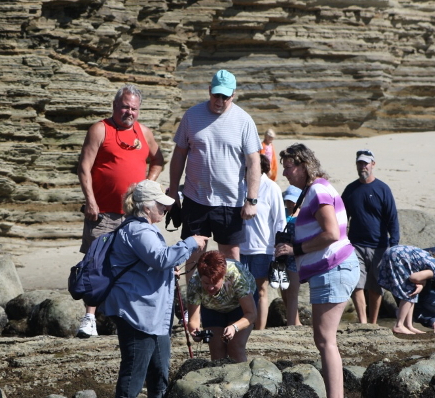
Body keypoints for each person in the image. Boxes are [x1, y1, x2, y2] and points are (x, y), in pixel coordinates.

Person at [102, 180, 207, 398]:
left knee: (159, 364)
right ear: (146, 207)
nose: (165, 209)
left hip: (153, 312)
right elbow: (160, 258)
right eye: (161, 205)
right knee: (136, 364)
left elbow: (157, 262)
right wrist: (190, 243)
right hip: (136, 311)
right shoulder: (139, 231)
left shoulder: (145, 229)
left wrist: (172, 266)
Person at [275, 143, 359, 398]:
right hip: (332, 269)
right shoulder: (314, 191)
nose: (285, 172)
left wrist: (295, 250)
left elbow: (331, 233)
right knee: (324, 340)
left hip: (334, 268)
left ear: (302, 165)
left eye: (288, 166)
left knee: (325, 341)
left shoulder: (319, 190)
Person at [76, 84, 164, 338]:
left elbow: (158, 160)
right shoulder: (100, 129)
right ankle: (90, 318)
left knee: (133, 265)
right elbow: (84, 167)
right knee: (96, 264)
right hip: (102, 212)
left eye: (134, 108)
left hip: (134, 216)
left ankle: (128, 318)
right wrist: (90, 200)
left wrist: (148, 184)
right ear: (115, 105)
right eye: (125, 106)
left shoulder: (143, 132)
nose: (129, 112)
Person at [169, 69, 261, 285]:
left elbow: (253, 161)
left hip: (230, 202)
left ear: (233, 95)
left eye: (225, 97)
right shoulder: (192, 116)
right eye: (216, 95)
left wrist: (252, 199)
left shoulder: (244, 120)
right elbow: (179, 154)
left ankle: (231, 304)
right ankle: (194, 305)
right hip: (195, 198)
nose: (219, 101)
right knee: (194, 251)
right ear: (209, 90)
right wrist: (173, 191)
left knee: (230, 255)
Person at [342, 149, 399, 325]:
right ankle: (363, 322)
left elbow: (392, 218)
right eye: (360, 163)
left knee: (375, 287)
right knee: (356, 284)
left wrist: (394, 244)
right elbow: (341, 217)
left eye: (365, 163)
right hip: (355, 245)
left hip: (379, 246)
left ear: (373, 164)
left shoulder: (382, 189)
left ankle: (373, 323)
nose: (362, 166)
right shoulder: (351, 190)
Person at [239, 155, 286, 330]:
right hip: (240, 248)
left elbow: (280, 220)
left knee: (261, 291)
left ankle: (259, 330)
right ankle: (245, 327)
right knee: (242, 291)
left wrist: (278, 247)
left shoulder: (271, 187)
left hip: (263, 248)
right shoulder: (240, 185)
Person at [186, 250, 257, 362]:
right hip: (212, 307)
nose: (210, 288)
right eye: (206, 283)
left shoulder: (236, 276)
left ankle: (242, 378)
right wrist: (195, 332)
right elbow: (193, 320)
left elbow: (251, 314)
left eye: (214, 283)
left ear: (223, 277)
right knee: (217, 350)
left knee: (235, 346)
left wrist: (234, 327)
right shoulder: (194, 282)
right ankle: (219, 378)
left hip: (239, 306)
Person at [378, 244, 435, 335]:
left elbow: (417, 276)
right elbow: (413, 278)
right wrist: (422, 284)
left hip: (394, 252)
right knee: (409, 292)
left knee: (414, 292)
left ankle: (408, 325)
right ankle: (399, 325)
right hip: (398, 256)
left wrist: (421, 283)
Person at [280, 185, 303, 326]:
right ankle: (295, 320)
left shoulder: (303, 217)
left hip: (296, 257)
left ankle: (291, 324)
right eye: (288, 201)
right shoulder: (282, 213)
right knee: (284, 289)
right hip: (282, 257)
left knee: (292, 291)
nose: (291, 204)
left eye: (293, 201)